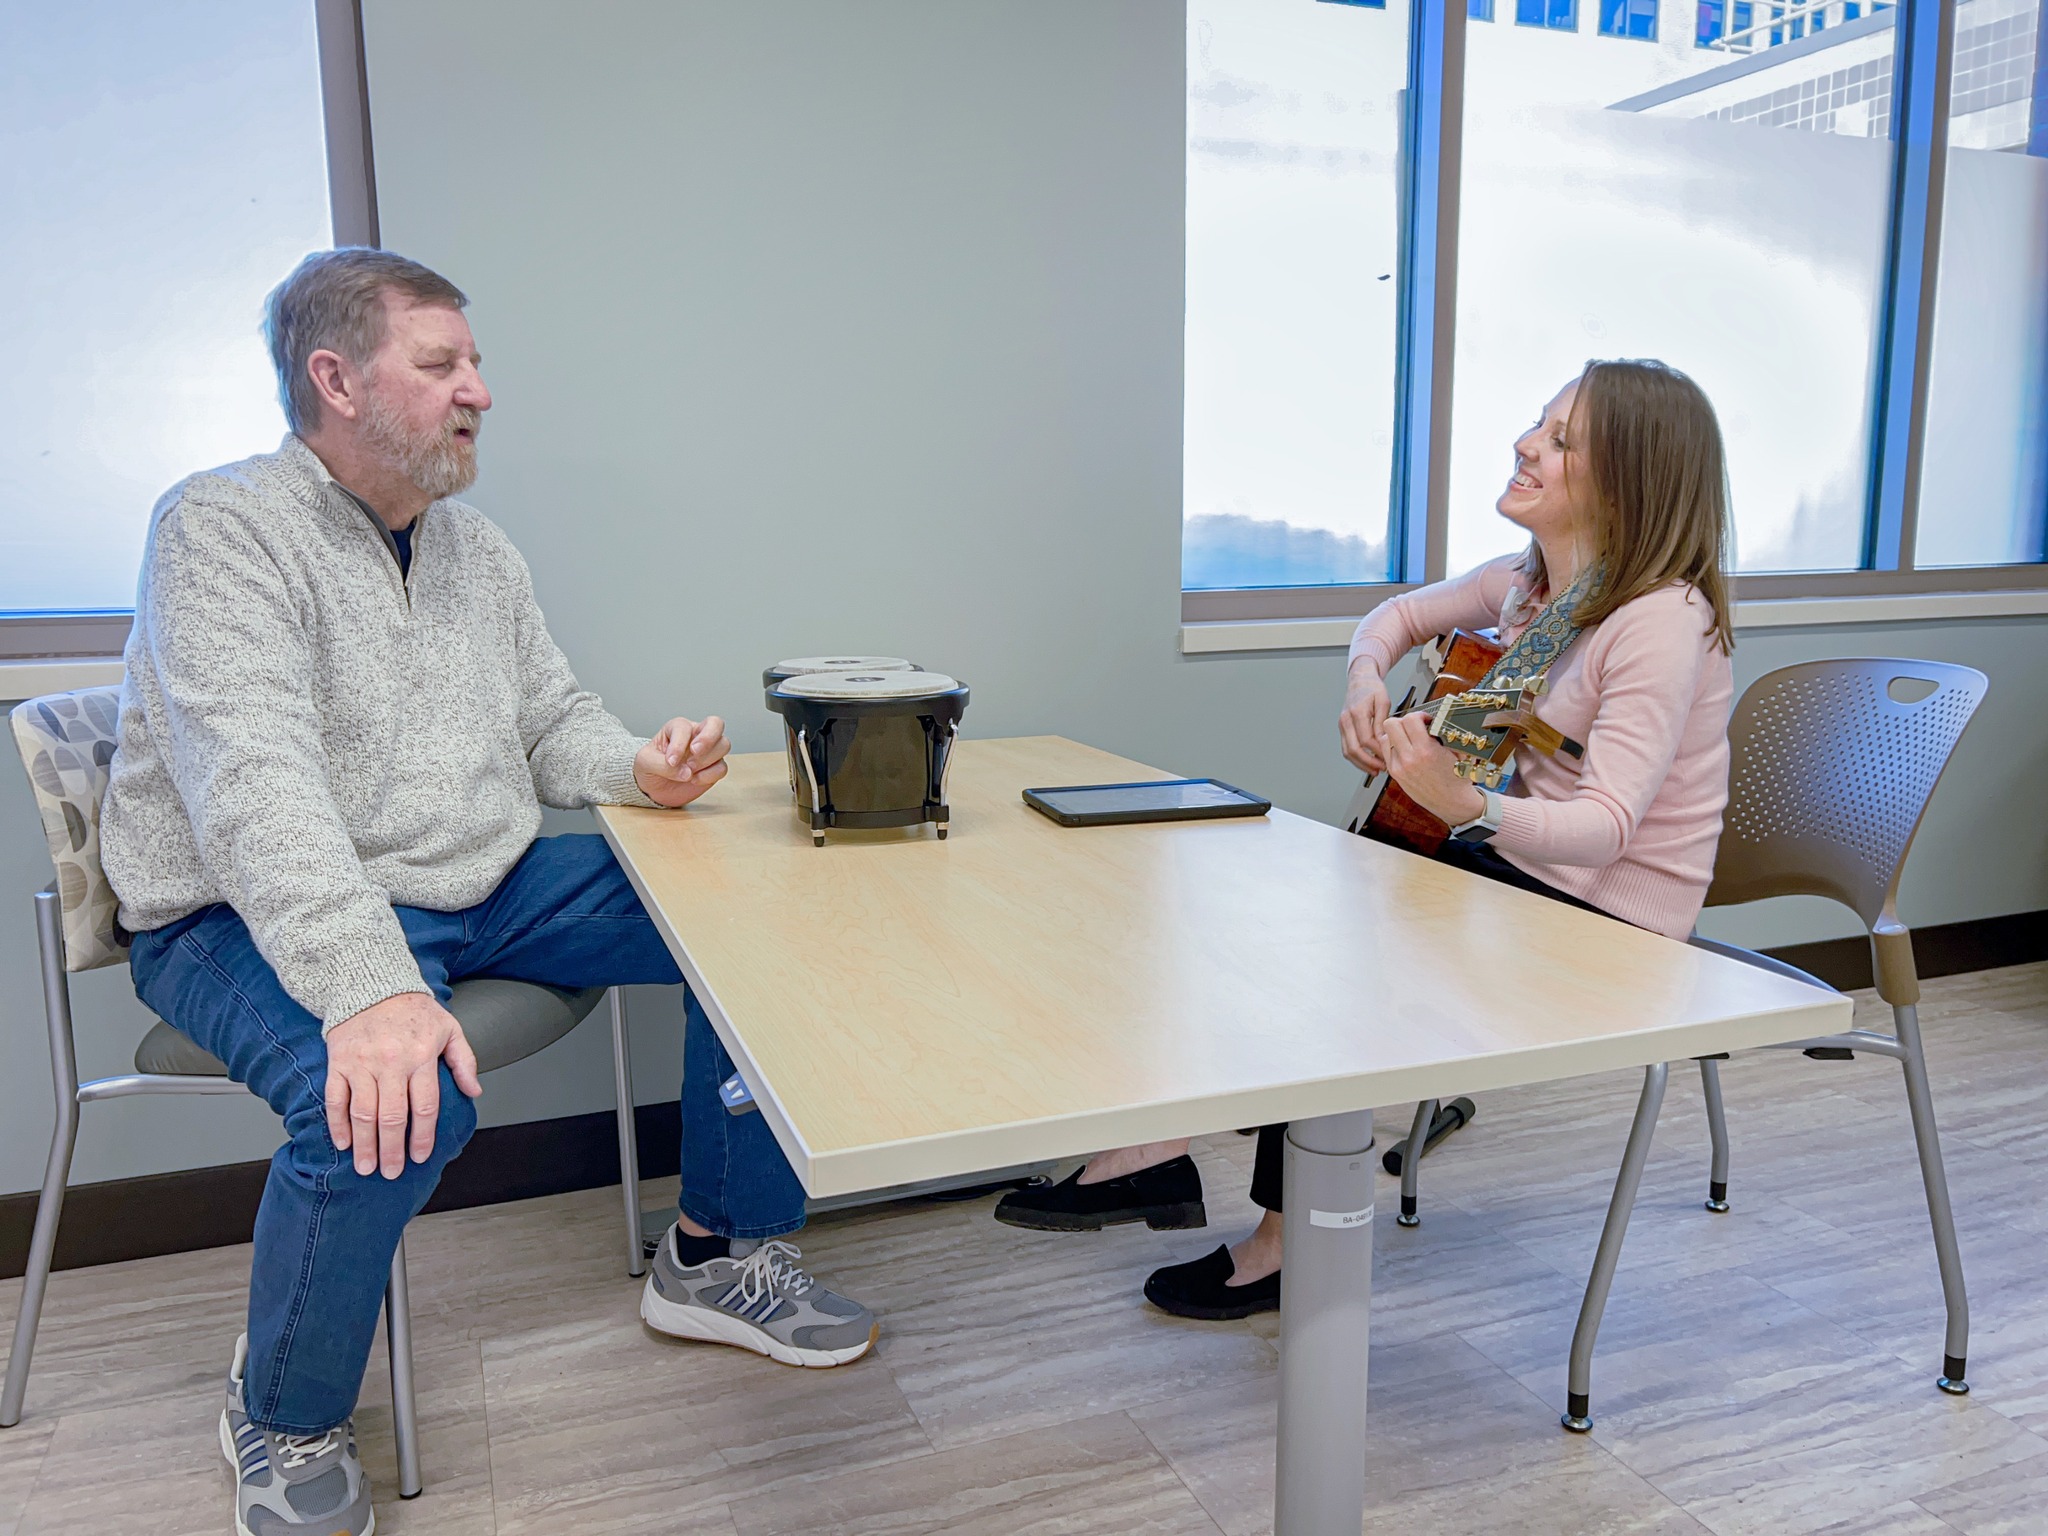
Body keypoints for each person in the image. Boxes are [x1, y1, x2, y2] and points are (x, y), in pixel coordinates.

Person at [100, 248, 875, 1536]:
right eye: (444, 363)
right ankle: (282, 1411)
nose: (482, 390)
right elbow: (256, 794)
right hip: (235, 912)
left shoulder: (474, 550)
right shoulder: (217, 530)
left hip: (479, 882)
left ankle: (713, 1254)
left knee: (756, 923)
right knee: (386, 1099)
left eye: (475, 363)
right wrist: (372, 993)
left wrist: (631, 769)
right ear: (335, 378)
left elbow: (547, 721)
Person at [994, 358, 1737, 1320]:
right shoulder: (1533, 589)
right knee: (1291, 899)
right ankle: (1177, 1152)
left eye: (1560, 439)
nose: (1524, 444)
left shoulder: (1659, 620)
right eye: (1537, 423)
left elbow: (1606, 831)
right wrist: (1365, 684)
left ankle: (1254, 1217)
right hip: (1522, 871)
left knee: (1327, 952)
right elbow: (1391, 619)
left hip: (1611, 920)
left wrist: (1466, 806)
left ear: (1629, 479)